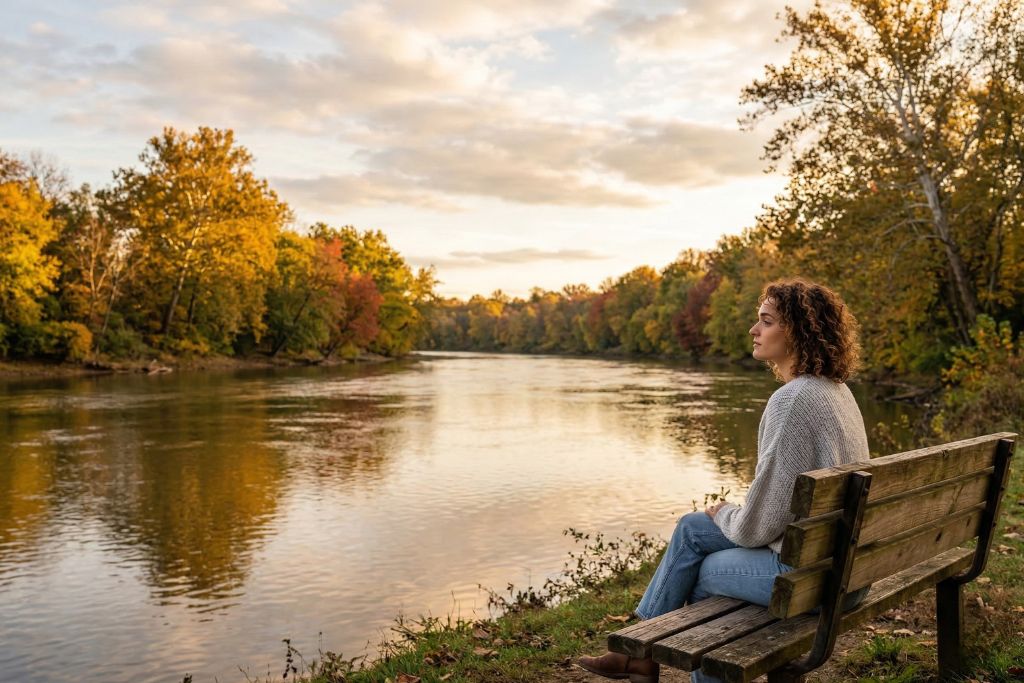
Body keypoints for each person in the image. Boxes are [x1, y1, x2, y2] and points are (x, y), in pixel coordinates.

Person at [577, 278, 870, 683]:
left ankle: (645, 656)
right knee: (692, 528)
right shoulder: (836, 391)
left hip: (814, 581)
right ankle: (638, 651)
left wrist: (727, 513)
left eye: (766, 322)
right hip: (850, 568)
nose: (754, 330)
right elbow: (781, 512)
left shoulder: (793, 401)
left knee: (703, 569)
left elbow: (757, 528)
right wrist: (721, 517)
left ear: (798, 332)